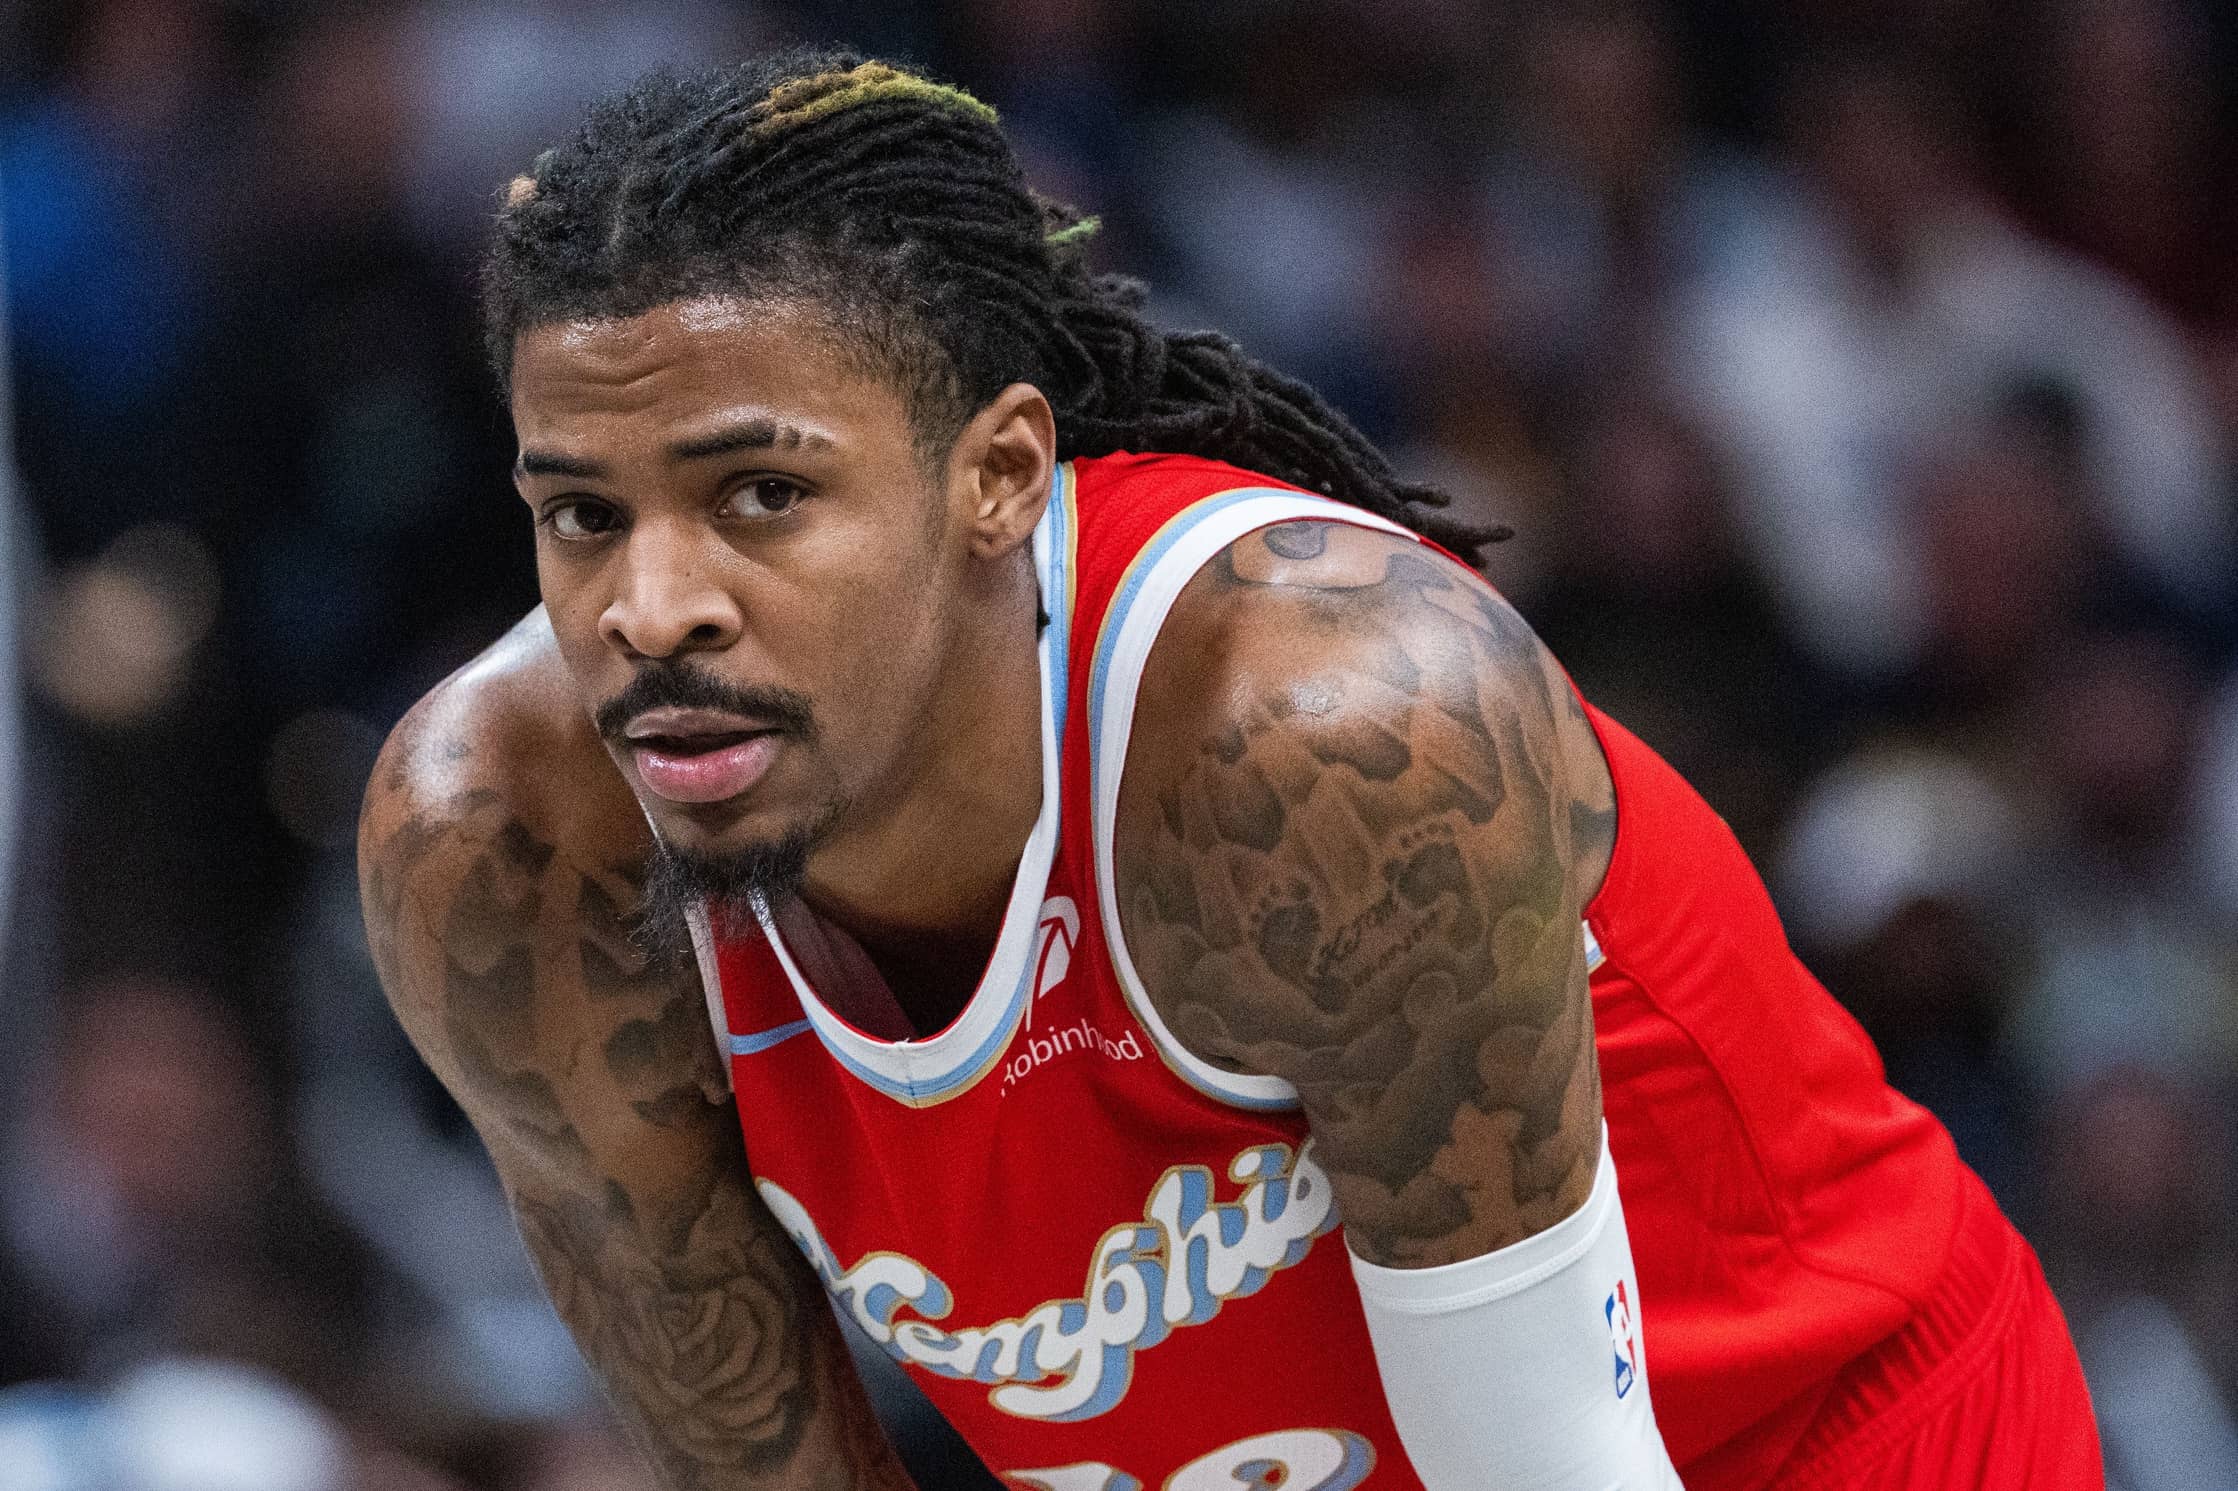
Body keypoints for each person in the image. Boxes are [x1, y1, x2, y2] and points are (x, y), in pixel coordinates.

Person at [357, 50, 2104, 1490]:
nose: (653, 609)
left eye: (762, 497)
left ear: (1000, 474)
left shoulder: (1321, 735)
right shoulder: (504, 849)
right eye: (581, 515)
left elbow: (1546, 1458)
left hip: (1814, 1447)